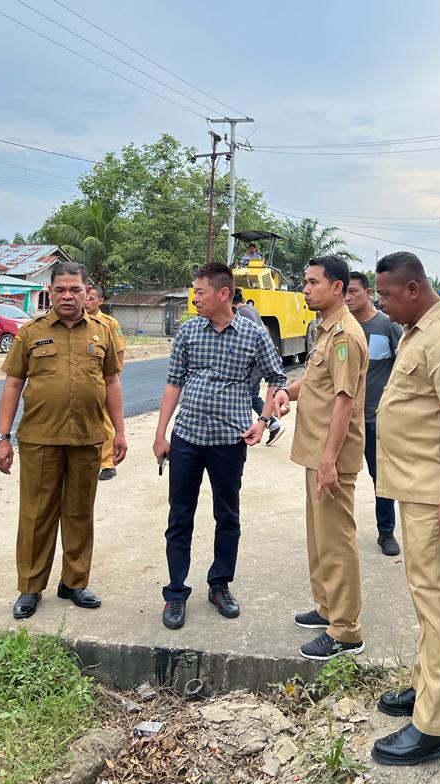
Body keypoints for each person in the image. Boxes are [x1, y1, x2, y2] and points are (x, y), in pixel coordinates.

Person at [371, 251, 440, 767]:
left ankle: (437, 725)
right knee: (426, 597)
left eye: (387, 296)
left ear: (412, 289)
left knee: (439, 601)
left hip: (438, 492)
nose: (381, 304)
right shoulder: (420, 329)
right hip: (419, 486)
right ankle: (425, 689)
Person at [153, 262, 287, 630]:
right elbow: (173, 383)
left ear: (223, 294)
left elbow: (277, 377)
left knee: (227, 516)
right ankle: (176, 593)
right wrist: (161, 433)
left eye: (200, 292)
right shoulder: (188, 331)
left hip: (229, 441)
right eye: (194, 292)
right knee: (180, 516)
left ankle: (219, 585)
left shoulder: (253, 335)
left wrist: (262, 422)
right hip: (187, 438)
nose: (194, 297)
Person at [0, 262, 127, 620]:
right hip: (40, 440)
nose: (67, 296)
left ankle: (74, 582)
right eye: (60, 290)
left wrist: (120, 432)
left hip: (87, 439)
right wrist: (2, 438)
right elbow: (12, 384)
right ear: (50, 293)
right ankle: (30, 587)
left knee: (80, 512)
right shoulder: (31, 333)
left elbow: (112, 382)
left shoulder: (103, 332)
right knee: (36, 515)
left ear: (87, 293)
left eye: (75, 289)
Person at [273, 255, 368, 662]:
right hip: (316, 453)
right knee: (319, 538)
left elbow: (344, 402)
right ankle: (327, 607)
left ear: (337, 288)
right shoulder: (324, 331)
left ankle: (346, 630)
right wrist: (285, 392)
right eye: (306, 282)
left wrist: (330, 460)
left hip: (332, 456)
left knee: (336, 540)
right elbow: (316, 382)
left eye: (313, 283)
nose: (306, 289)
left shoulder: (346, 335)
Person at [345, 271, 402, 556]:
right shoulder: (341, 327)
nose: (348, 297)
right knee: (341, 477)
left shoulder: (387, 326)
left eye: (354, 291)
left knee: (382, 478)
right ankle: (340, 534)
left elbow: (403, 369)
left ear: (368, 294)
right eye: (345, 291)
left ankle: (386, 532)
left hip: (376, 419)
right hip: (344, 418)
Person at [86, 283, 127, 481]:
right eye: (85, 297)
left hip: (103, 379)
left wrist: (115, 378)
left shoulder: (110, 323)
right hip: (85, 381)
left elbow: (119, 351)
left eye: (91, 298)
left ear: (101, 301)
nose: (87, 302)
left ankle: (108, 462)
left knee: (106, 420)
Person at [232, 288, 284, 444]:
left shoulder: (240, 314)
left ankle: (265, 424)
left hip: (254, 362)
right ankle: (272, 424)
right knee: (252, 394)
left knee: (246, 394)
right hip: (262, 360)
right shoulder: (251, 309)